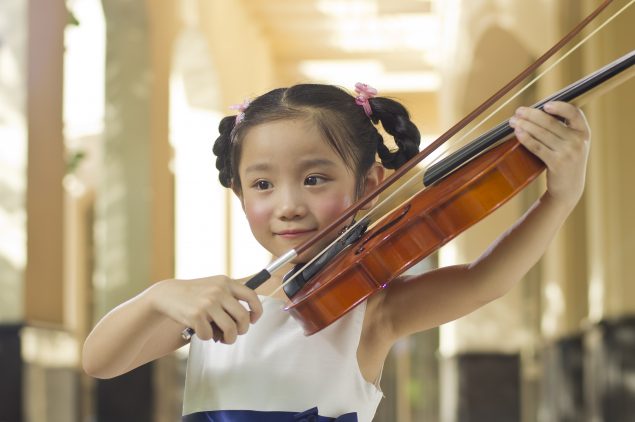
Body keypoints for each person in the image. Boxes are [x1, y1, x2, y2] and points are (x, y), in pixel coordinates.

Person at [82, 82, 590, 421]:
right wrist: (156, 298)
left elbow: (484, 282)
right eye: (262, 184)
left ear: (368, 183)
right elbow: (100, 362)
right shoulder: (218, 309)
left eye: (314, 179)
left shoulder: (373, 309)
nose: (289, 205)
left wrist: (559, 198)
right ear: (238, 193)